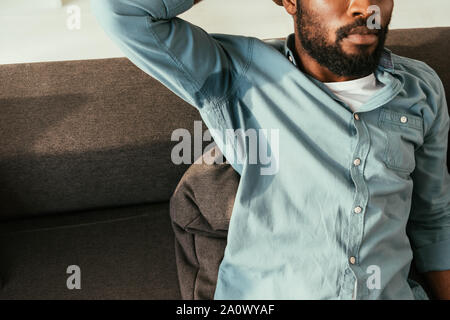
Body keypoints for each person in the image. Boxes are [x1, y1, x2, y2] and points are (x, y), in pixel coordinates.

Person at [91, 0, 450, 299]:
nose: (365, 7)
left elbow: (434, 221)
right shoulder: (237, 76)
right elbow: (121, 11)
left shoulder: (421, 89)